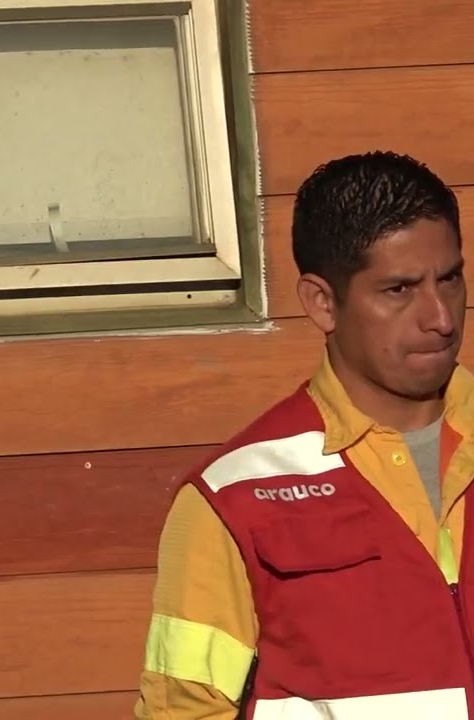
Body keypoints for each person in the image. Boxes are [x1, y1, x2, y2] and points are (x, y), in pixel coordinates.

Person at [135, 150, 474, 718]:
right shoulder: (233, 500)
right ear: (322, 303)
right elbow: (182, 710)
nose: (441, 317)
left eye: (451, 278)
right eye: (399, 290)